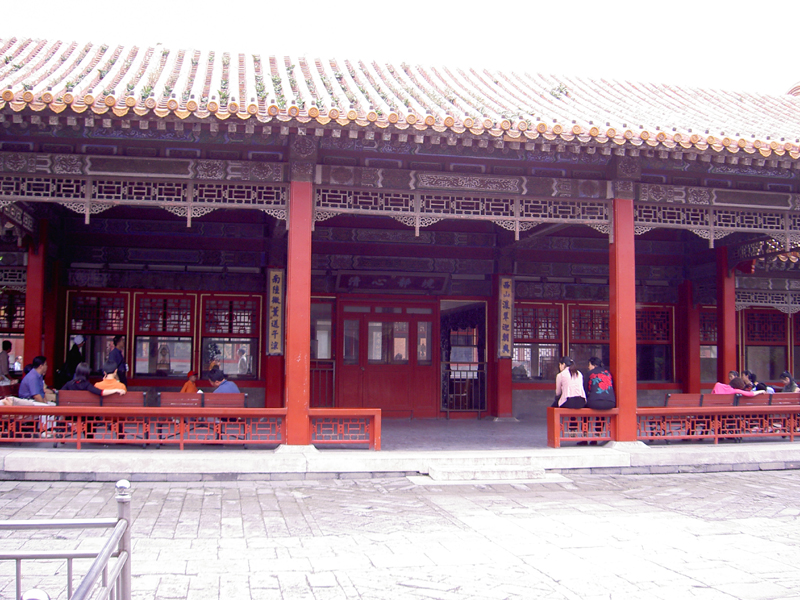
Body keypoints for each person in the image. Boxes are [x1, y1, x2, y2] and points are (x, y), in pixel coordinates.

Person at [62, 362, 126, 397]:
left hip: (70, 414)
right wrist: (116, 390)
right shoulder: (87, 385)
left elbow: (59, 393)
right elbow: (101, 392)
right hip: (85, 414)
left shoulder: (69, 384)